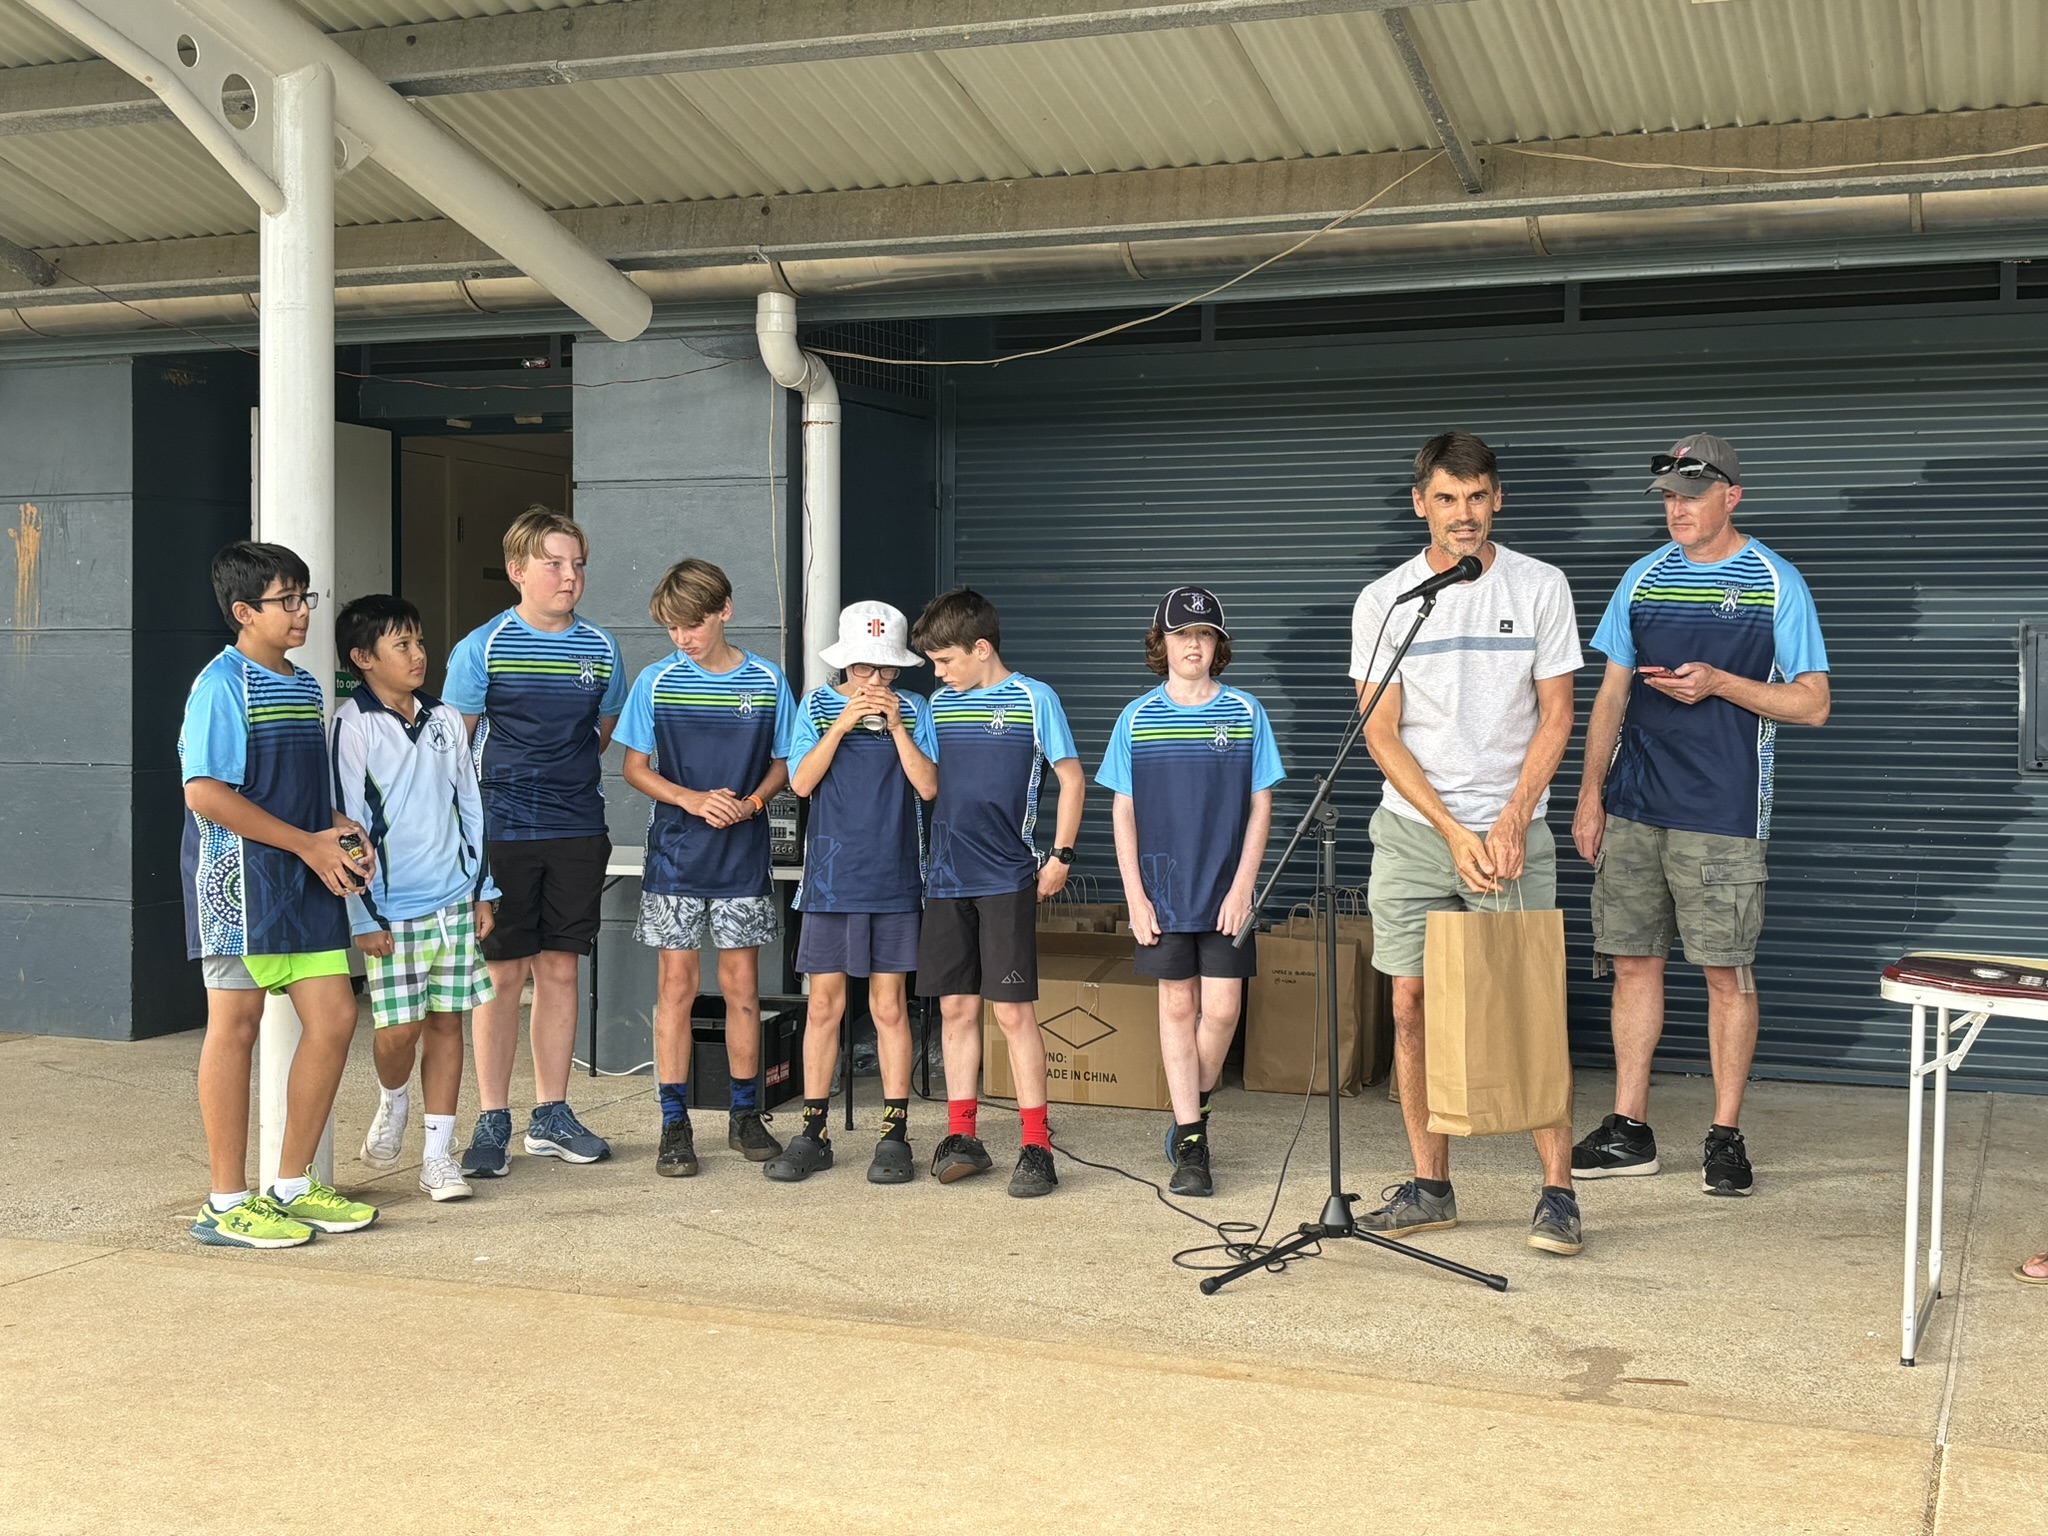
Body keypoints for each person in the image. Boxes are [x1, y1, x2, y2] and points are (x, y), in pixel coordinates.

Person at [1570, 434, 1830, 1197]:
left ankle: (1725, 1135)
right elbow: (1611, 695)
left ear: (1731, 496)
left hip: (1723, 811)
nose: (1677, 509)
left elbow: (1813, 703)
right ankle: (1629, 1130)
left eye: (1691, 494)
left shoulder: (1775, 582)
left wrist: (1721, 683)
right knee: (1632, 964)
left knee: (1726, 973)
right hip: (1633, 807)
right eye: (1668, 497)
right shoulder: (1643, 577)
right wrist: (1589, 794)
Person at [1351, 431, 1586, 1256]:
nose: (1464, 513)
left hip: (1510, 832)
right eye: (1447, 498)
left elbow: (1557, 714)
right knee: (1410, 1006)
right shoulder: (1387, 600)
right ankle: (1430, 1187)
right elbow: (1381, 732)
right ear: (1420, 502)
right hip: (1416, 832)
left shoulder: (1541, 585)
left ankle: (1558, 1194)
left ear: (1497, 499)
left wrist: (1513, 818)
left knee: (1527, 1008)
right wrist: (1451, 831)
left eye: (1478, 496)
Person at [181, 541, 380, 1248]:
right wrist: (306, 843)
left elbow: (294, 789)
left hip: (307, 875)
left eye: (305, 597)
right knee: (234, 1028)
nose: (301, 612)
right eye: (286, 600)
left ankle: (292, 1185)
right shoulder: (220, 685)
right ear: (244, 612)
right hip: (238, 884)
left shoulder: (304, 686)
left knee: (335, 1019)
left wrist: (338, 825)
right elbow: (205, 793)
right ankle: (225, 1203)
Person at [444, 507, 625, 1176]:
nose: (569, 576)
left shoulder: (602, 647)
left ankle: (552, 1114)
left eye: (577, 564)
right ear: (517, 570)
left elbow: (600, 735)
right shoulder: (481, 647)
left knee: (560, 970)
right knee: (502, 974)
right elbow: (453, 751)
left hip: (578, 830)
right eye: (554, 563)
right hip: (503, 833)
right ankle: (492, 1118)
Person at [1098, 587, 1282, 1198]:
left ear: (1217, 645)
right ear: (1163, 644)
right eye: (1181, 635)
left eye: (1204, 635)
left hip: (1226, 890)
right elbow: (1123, 812)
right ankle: (1192, 1142)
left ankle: (1192, 1103)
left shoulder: (1246, 712)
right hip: (1163, 891)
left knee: (1223, 1010)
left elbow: (1261, 806)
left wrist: (1244, 886)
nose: (1193, 645)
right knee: (1178, 1007)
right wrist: (1135, 897)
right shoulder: (1136, 717)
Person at [617, 559, 795, 1177]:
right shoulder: (656, 681)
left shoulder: (768, 681)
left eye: (692, 624)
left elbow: (785, 762)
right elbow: (634, 767)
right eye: (672, 628)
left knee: (743, 987)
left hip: (741, 858)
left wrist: (753, 803)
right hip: (675, 858)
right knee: (676, 988)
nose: (682, 638)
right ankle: (674, 1123)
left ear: (724, 610)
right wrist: (691, 800)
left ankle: (745, 1114)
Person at [911, 588, 1085, 1199]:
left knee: (1012, 1013)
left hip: (1008, 877)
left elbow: (1071, 778)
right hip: (945, 879)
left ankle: (1036, 1146)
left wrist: (1061, 856)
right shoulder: (938, 705)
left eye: (945, 660)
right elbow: (929, 785)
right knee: (956, 1010)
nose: (938, 674)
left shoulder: (1035, 698)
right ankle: (963, 1136)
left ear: (981, 648)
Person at [332, 594, 500, 1204]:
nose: (418, 654)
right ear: (363, 658)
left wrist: (483, 890)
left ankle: (437, 1157)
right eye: (401, 644)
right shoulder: (351, 724)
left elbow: (471, 806)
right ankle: (394, 1098)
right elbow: (345, 824)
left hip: (453, 900)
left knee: (448, 1024)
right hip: (390, 910)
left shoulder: (446, 717)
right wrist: (361, 914)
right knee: (397, 1033)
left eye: (420, 641)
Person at [766, 601, 939, 1185]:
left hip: (895, 878)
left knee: (889, 1007)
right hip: (830, 880)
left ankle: (894, 1133)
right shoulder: (815, 706)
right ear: (844, 664)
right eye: (865, 668)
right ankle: (813, 1131)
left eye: (886, 668)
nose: (876, 679)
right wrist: (841, 724)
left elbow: (929, 786)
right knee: (823, 1006)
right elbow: (800, 782)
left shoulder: (916, 708)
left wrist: (896, 725)